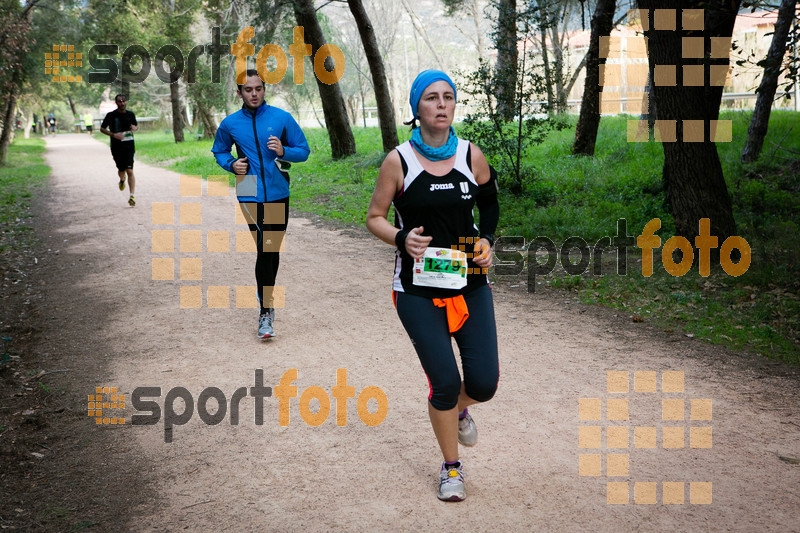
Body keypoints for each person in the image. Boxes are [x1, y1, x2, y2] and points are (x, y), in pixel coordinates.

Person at [366, 70, 500, 502]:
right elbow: (374, 218)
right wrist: (401, 238)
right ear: (416, 109)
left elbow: (491, 203)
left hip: (470, 285)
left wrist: (486, 241)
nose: (441, 104)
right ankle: (451, 468)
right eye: (431, 98)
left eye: (448, 97)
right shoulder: (398, 161)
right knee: (443, 381)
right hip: (417, 290)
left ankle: (460, 408)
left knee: (483, 383)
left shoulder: (470, 155)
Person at [212, 69, 310, 339]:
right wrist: (231, 164)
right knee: (264, 247)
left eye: (258, 88)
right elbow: (219, 150)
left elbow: (303, 150)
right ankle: (265, 310)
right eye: (248, 89)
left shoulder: (281, 118)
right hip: (248, 191)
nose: (254, 94)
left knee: (271, 249)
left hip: (278, 191)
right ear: (239, 93)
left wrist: (283, 151)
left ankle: (266, 300)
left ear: (264, 89)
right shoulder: (230, 123)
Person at [100, 94, 138, 207]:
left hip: (129, 145)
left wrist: (135, 128)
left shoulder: (131, 114)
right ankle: (122, 179)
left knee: (130, 170)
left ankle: (132, 196)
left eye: (123, 101)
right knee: (121, 169)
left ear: (126, 102)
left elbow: (135, 126)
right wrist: (113, 135)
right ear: (116, 103)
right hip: (116, 146)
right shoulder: (111, 115)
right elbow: (102, 129)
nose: (122, 103)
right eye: (119, 101)